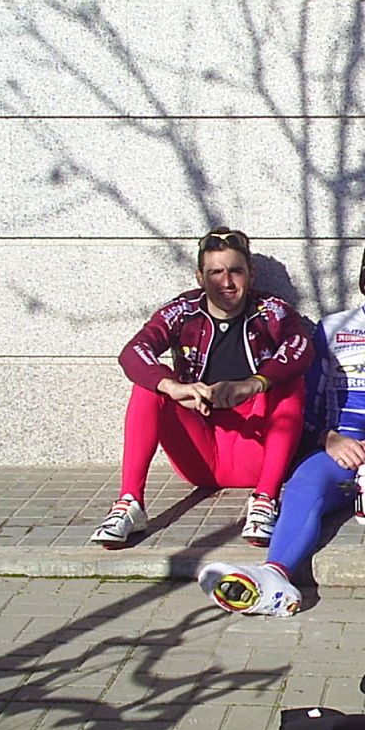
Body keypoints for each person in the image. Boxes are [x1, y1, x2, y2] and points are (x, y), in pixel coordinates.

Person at [199, 237, 365, 617]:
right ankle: (274, 579)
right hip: (338, 452)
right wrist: (328, 437)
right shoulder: (330, 330)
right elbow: (299, 410)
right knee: (302, 487)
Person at [91, 227, 312, 548]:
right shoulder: (183, 310)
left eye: (236, 271)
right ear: (200, 277)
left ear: (251, 274)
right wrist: (172, 387)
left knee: (289, 381)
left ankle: (265, 499)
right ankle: (129, 503)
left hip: (255, 450)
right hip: (200, 451)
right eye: (215, 273)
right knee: (149, 385)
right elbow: (133, 352)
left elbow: (301, 348)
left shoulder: (271, 310)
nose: (227, 282)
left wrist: (253, 385)